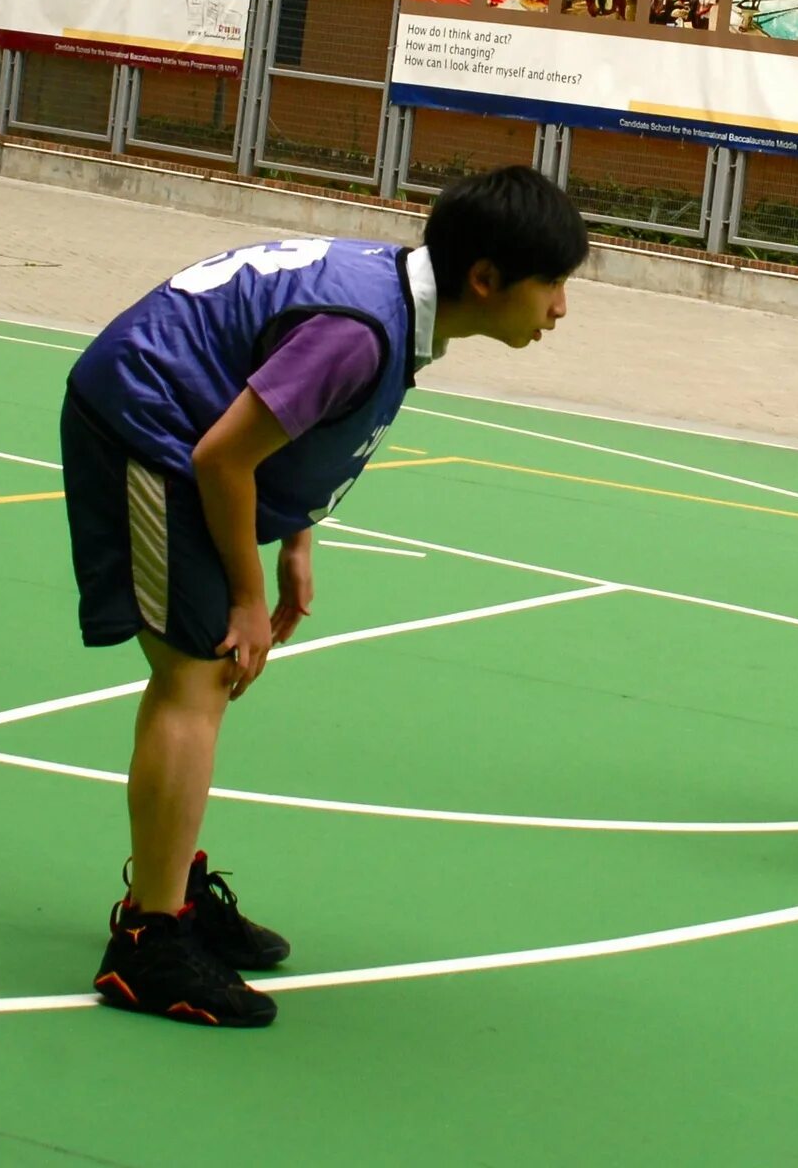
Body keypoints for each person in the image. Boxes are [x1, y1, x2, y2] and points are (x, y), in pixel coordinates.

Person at [64, 168, 588, 1027]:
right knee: (195, 675)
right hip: (143, 421)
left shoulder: (389, 300)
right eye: (554, 285)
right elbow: (223, 457)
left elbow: (285, 421)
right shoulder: (362, 332)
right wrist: (244, 593)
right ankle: (149, 943)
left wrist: (295, 537)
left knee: (206, 677)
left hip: (186, 426)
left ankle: (172, 893)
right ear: (486, 280)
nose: (561, 310)